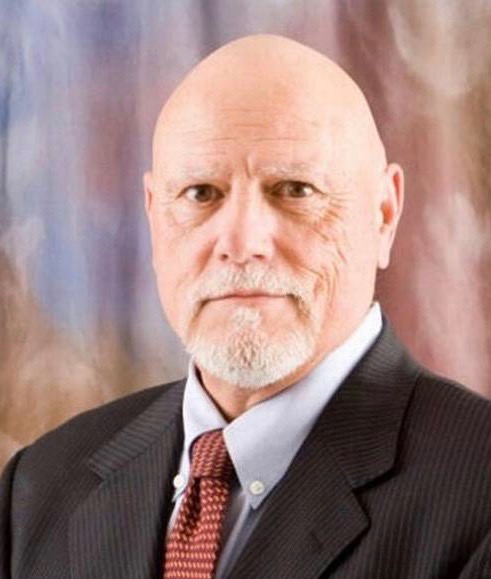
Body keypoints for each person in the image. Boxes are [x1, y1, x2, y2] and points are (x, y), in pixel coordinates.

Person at [1, 34, 490, 579]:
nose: (241, 241)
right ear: (154, 216)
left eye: (295, 190)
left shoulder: (478, 493)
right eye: (201, 193)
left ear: (384, 214)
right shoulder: (37, 491)